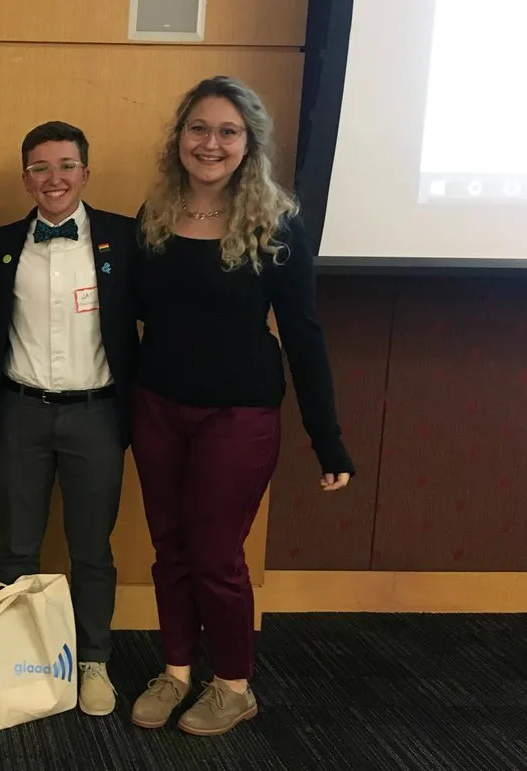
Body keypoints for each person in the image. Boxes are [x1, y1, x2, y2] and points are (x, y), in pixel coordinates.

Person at [128, 76, 354, 736]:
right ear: (179, 138)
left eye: (227, 131)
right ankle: (174, 671)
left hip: (239, 413)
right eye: (198, 128)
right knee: (168, 549)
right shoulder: (154, 214)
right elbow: (139, 315)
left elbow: (304, 333)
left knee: (216, 554)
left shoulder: (276, 223)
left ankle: (232, 684)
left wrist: (327, 437)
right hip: (158, 406)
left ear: (248, 143)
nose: (210, 142)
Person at [0, 121, 141, 716]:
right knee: (16, 549)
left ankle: (93, 661)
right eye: (40, 168)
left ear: (85, 173)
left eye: (66, 165)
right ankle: (15, 665)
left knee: (91, 549)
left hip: (95, 415)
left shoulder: (123, 238)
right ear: (25, 178)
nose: (54, 178)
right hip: (21, 411)